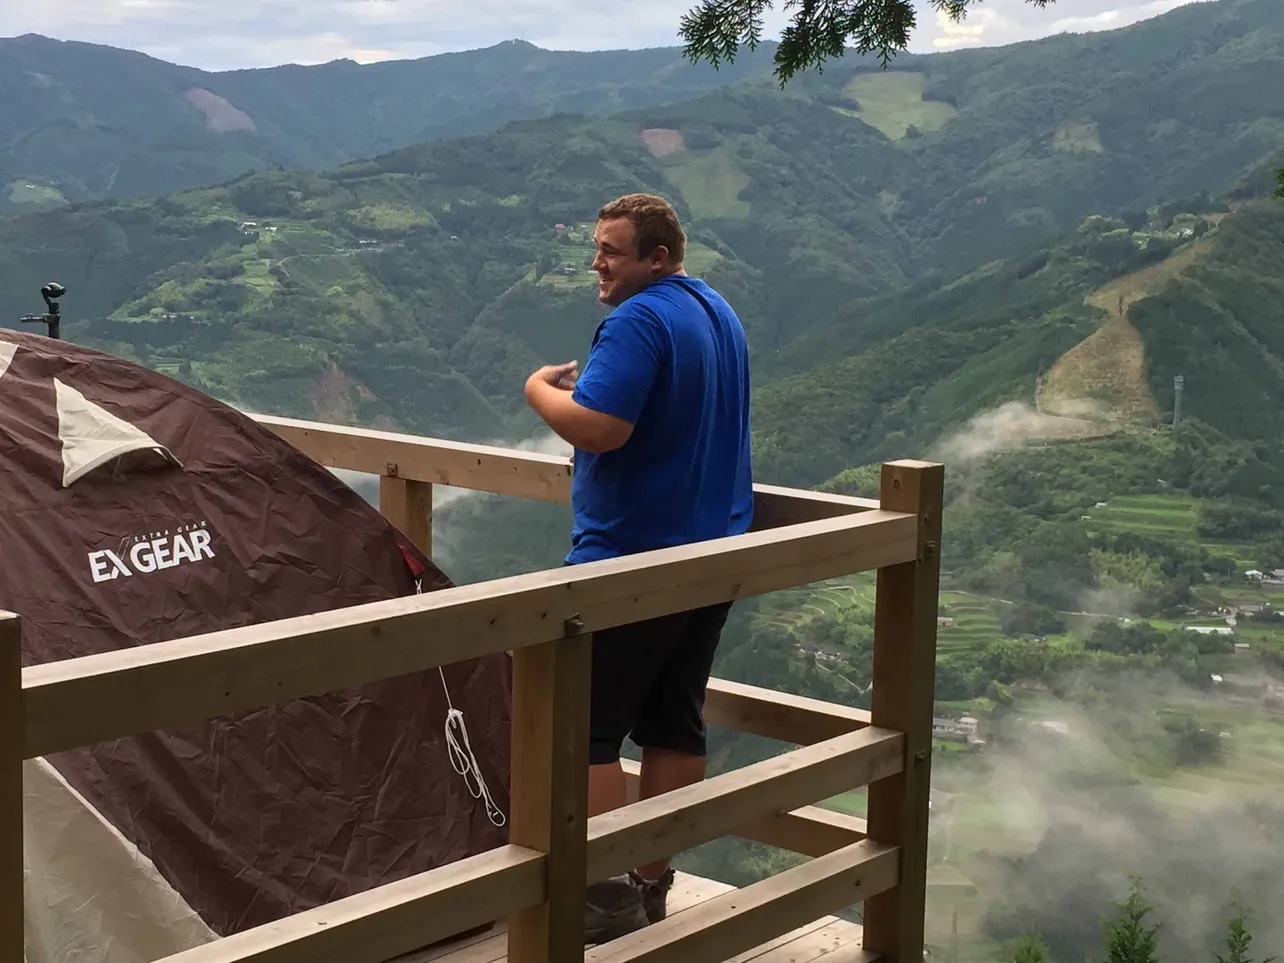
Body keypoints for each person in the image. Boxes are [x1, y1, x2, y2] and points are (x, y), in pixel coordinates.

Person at [523, 192, 754, 944]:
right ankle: (651, 884)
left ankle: (603, 893)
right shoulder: (717, 313)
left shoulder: (639, 318)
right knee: (672, 723)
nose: (598, 261)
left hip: (632, 560)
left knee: (583, 731)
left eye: (612, 250)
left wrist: (538, 392)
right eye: (596, 246)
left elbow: (601, 428)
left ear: (658, 258)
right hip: (711, 553)